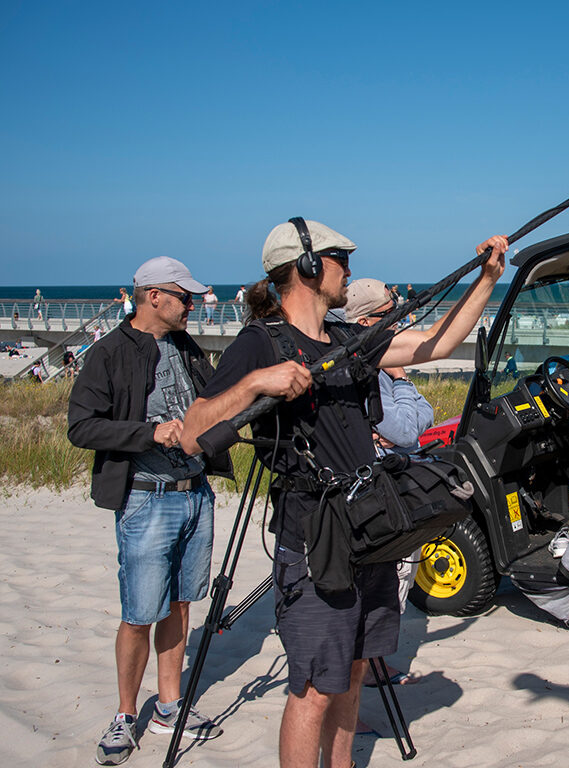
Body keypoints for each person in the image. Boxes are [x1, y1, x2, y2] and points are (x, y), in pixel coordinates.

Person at [180, 217, 507, 768]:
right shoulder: (259, 344)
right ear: (305, 266)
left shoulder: (349, 339)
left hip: (371, 530)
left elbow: (435, 342)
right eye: (339, 258)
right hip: (313, 541)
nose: (349, 267)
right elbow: (192, 432)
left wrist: (487, 278)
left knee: (355, 670)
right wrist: (260, 382)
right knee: (313, 688)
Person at [68, 257, 232, 765]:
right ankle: (124, 715)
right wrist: (149, 432)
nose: (194, 305)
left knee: (182, 603)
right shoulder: (110, 352)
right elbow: (81, 426)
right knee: (139, 614)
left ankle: (167, 705)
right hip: (146, 497)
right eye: (185, 297)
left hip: (195, 493)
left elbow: (215, 399)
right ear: (154, 296)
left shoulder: (185, 346)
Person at [346, 278, 434, 701]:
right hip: (379, 489)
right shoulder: (367, 368)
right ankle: (363, 669)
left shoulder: (386, 366)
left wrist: (400, 383)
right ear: (365, 321)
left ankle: (375, 662)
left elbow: (425, 415)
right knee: (385, 578)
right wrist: (401, 382)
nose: (398, 321)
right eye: (389, 315)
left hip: (398, 479)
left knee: (399, 576)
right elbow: (404, 428)